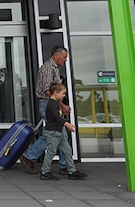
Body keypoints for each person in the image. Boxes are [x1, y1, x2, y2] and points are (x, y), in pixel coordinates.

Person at [20, 46, 77, 175]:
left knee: (53, 134)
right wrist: (61, 105)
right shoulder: (47, 68)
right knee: (57, 134)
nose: (65, 60)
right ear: (56, 56)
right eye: (64, 57)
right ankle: (65, 166)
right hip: (47, 103)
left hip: (50, 103)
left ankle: (31, 158)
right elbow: (47, 90)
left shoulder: (54, 69)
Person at [39, 82, 86, 180]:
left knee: (67, 151)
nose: (64, 95)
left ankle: (72, 171)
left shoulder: (55, 103)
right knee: (51, 152)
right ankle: (45, 171)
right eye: (63, 93)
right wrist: (67, 124)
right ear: (56, 92)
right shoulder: (52, 103)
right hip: (53, 133)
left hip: (58, 132)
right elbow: (56, 117)